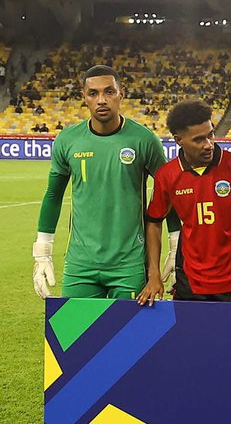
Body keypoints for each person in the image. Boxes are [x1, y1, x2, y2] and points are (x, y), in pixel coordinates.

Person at [33, 64, 167, 300]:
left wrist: (175, 246)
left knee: (128, 336)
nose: (101, 100)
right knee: (75, 336)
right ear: (84, 97)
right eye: (93, 93)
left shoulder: (144, 140)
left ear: (121, 93)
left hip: (129, 265)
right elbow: (53, 195)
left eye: (109, 92)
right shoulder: (68, 140)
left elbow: (169, 191)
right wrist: (42, 251)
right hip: (80, 265)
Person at [137, 100, 231, 304]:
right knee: (191, 335)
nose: (208, 144)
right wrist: (154, 274)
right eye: (199, 139)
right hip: (190, 279)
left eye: (210, 135)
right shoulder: (168, 175)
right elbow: (154, 222)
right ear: (178, 140)